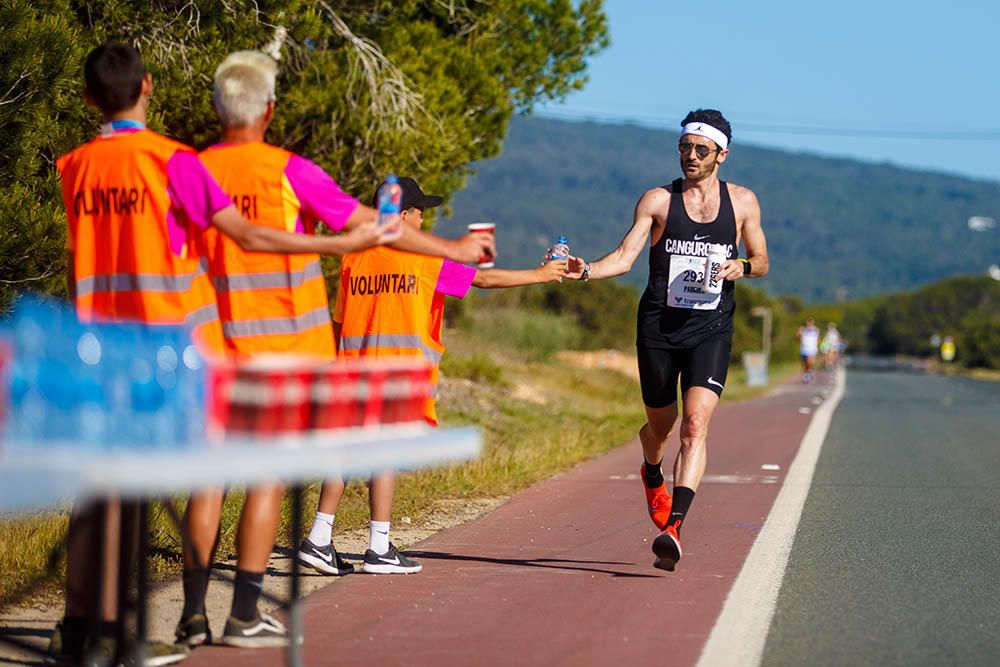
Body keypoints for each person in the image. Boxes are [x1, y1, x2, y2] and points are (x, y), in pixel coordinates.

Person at [49, 41, 415, 665]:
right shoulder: (173, 161)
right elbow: (244, 234)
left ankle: (83, 627)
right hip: (173, 344)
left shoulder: (73, 165)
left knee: (107, 493)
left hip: (95, 342)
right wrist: (336, 245)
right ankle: (164, 626)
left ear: (88, 98)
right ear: (149, 87)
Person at [174, 51, 502, 649]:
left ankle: (192, 612)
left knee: (209, 478)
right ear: (269, 110)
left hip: (208, 340)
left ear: (217, 110)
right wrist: (453, 249)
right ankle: (244, 612)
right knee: (266, 479)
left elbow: (173, 254)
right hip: (280, 341)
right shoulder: (291, 172)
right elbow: (377, 226)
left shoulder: (187, 170)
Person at [297, 177, 567, 576]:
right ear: (403, 215)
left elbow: (339, 322)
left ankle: (319, 537)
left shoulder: (354, 257)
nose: (424, 219)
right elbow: (484, 279)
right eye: (421, 211)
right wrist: (541, 275)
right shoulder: (422, 258)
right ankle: (379, 546)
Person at [563, 109, 769, 571]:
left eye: (700, 150)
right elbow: (624, 257)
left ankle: (673, 527)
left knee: (696, 425)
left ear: (722, 155)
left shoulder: (744, 203)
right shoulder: (657, 201)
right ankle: (651, 469)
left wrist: (743, 267)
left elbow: (762, 260)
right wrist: (587, 270)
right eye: (684, 148)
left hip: (711, 329)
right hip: (658, 329)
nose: (690, 157)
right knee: (662, 429)